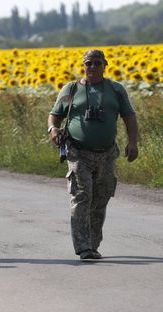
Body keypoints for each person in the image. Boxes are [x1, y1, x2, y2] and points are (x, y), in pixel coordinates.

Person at [48, 49, 138, 261]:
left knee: (100, 199)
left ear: (105, 65)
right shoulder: (71, 89)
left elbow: (129, 117)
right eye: (89, 63)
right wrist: (53, 130)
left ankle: (93, 244)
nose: (93, 67)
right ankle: (83, 247)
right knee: (82, 196)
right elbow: (55, 115)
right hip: (78, 152)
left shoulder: (115, 90)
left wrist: (132, 142)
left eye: (98, 63)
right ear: (83, 65)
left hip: (107, 154)